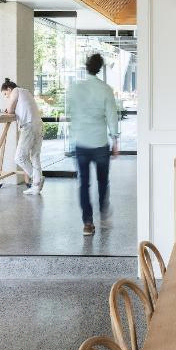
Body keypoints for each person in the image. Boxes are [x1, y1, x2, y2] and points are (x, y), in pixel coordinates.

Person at [68, 53, 120, 237]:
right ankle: (104, 215)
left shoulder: (75, 88)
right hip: (99, 143)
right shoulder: (105, 89)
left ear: (86, 66)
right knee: (103, 182)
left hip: (81, 142)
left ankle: (88, 223)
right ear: (100, 68)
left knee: (84, 184)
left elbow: (71, 114)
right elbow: (112, 117)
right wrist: (115, 140)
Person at [0, 78, 43, 195]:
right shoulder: (26, 91)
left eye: (5, 94)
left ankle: (37, 179)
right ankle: (35, 187)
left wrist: (7, 109)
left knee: (19, 157)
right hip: (38, 124)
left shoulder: (15, 91)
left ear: (9, 89)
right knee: (35, 156)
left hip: (28, 125)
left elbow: (9, 110)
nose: (6, 97)